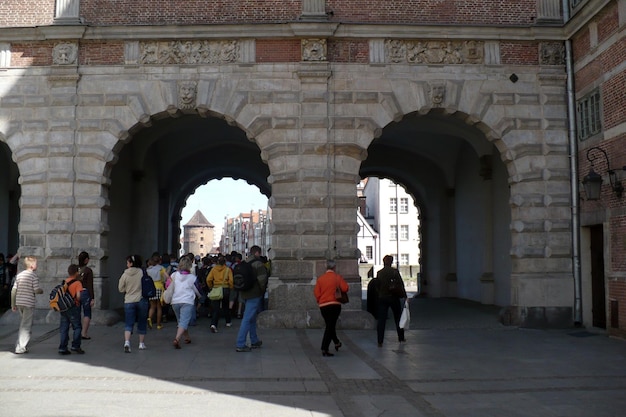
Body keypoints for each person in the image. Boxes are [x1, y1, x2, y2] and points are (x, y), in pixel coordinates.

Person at [235, 245, 268, 352]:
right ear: (257, 253)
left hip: (244, 293)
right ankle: (240, 343)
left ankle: (254, 340)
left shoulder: (244, 263)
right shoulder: (258, 264)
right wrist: (262, 291)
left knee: (252, 317)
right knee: (247, 318)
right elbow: (262, 280)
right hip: (254, 294)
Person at [313, 259, 349, 357]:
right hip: (334, 304)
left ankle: (337, 342)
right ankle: (324, 348)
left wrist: (320, 300)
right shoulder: (337, 277)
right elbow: (345, 288)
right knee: (330, 326)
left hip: (323, 306)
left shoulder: (321, 279)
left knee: (330, 325)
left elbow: (316, 292)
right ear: (334, 267)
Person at [10, 255, 43, 354]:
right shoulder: (33, 276)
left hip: (19, 303)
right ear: (32, 266)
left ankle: (22, 345)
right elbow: (36, 290)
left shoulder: (19, 275)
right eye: (36, 264)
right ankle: (20, 347)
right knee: (26, 326)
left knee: (24, 324)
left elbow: (13, 290)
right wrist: (41, 291)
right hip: (28, 303)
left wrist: (13, 304)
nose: (37, 265)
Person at [118, 254, 149, 353]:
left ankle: (127, 342)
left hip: (129, 300)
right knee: (142, 322)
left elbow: (120, 289)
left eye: (127, 262)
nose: (126, 264)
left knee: (128, 323)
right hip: (141, 300)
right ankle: (141, 343)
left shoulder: (125, 274)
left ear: (131, 263)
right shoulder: (142, 272)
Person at [169, 256, 201, 349]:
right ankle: (177, 339)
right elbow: (198, 290)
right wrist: (200, 297)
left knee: (181, 321)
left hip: (175, 301)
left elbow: (168, 285)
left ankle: (187, 337)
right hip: (187, 301)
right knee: (184, 321)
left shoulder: (174, 275)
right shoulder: (192, 278)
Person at [375, 255, 407, 347]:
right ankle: (401, 337)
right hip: (393, 297)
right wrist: (405, 296)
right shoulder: (394, 272)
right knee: (398, 318)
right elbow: (401, 284)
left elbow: (377, 285)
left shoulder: (379, 273)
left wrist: (379, 293)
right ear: (391, 262)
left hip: (382, 297)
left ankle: (380, 341)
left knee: (381, 320)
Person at [58, 264, 85, 355]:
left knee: (64, 328)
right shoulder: (78, 283)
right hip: (74, 307)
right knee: (77, 327)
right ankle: (75, 346)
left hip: (64, 307)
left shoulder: (64, 282)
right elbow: (78, 296)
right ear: (76, 272)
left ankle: (63, 347)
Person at [206, 254, 233, 332]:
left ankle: (213, 324)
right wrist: (230, 287)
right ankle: (228, 321)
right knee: (225, 306)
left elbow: (208, 279)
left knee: (216, 308)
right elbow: (231, 281)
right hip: (225, 288)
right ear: (225, 263)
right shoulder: (228, 270)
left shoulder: (214, 269)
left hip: (216, 288)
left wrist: (211, 286)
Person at [146, 254, 168, 330]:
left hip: (151, 288)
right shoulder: (161, 268)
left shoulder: (148, 269)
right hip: (159, 287)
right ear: (159, 261)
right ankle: (158, 324)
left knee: (152, 306)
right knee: (159, 307)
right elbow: (167, 277)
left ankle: (149, 318)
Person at [77, 251, 95, 340]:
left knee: (77, 312)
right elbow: (90, 285)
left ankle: (77, 332)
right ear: (86, 260)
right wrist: (92, 298)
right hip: (85, 292)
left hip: (76, 293)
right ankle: (84, 333)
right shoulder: (88, 270)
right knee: (87, 313)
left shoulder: (75, 269)